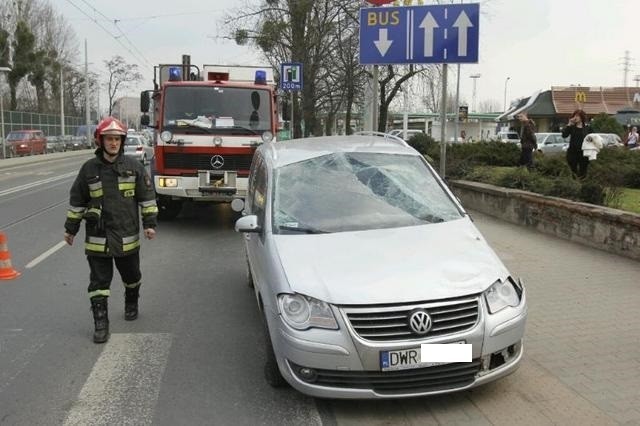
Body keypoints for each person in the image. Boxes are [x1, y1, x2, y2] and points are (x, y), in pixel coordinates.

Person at [64, 117, 158, 343]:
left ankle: (131, 300)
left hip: (127, 236)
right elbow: (77, 201)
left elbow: (147, 198)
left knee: (132, 276)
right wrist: (71, 229)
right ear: (101, 141)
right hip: (98, 237)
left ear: (121, 141)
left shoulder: (134, 168)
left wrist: (150, 224)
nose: (113, 143)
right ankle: (101, 323)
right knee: (99, 282)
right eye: (109, 139)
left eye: (117, 139)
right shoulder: (88, 169)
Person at [562, 109, 591, 179]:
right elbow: (564, 135)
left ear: (582, 117)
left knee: (583, 171)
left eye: (577, 116)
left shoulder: (587, 128)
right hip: (573, 152)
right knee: (573, 171)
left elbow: (592, 138)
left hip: (584, 152)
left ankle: (582, 184)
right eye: (575, 116)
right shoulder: (572, 127)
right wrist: (569, 124)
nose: (576, 117)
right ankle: (573, 185)